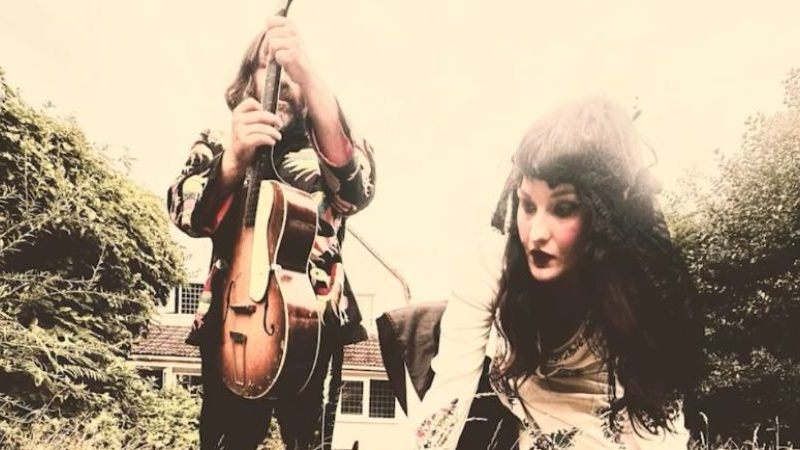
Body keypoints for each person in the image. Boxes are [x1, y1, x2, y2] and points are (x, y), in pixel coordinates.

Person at [410, 97, 702, 449]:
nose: (536, 233)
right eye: (528, 205)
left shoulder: (643, 282)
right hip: (515, 412)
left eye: (563, 209)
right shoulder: (493, 259)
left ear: (605, 214)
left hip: (608, 422)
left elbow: (658, 423)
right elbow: (447, 399)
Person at [167, 16, 376, 450]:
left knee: (311, 443)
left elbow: (357, 190)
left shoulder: (330, 136)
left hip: (316, 319)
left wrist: (310, 75)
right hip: (232, 320)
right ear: (248, 78)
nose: (282, 78)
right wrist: (232, 159)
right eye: (268, 63)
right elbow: (184, 212)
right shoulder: (217, 139)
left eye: (291, 68)